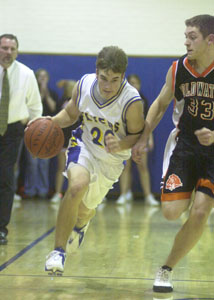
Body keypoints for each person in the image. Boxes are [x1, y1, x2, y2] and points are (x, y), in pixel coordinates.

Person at [33, 46, 145, 275]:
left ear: (123, 76)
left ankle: (82, 224)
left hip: (111, 162)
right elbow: (72, 114)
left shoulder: (132, 101)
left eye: (114, 80)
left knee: (84, 210)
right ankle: (58, 252)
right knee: (76, 186)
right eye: (103, 78)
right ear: (96, 71)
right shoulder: (84, 84)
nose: (107, 85)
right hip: (84, 145)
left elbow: (137, 135)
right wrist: (51, 122)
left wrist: (122, 144)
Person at [132, 14, 214, 293]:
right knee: (170, 213)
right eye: (186, 36)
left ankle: (165, 269)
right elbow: (160, 104)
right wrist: (143, 137)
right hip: (186, 146)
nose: (186, 41)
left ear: (210, 40)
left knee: (201, 213)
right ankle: (195, 195)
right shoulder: (178, 68)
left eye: (192, 37)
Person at [0, 34, 42, 244]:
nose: (8, 52)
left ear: (17, 51)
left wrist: (37, 135)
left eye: (12, 49)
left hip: (12, 130)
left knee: (6, 178)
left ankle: (1, 228)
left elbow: (35, 106)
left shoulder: (26, 74)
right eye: (4, 48)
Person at [116, 74, 159, 206]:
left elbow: (147, 121)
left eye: (136, 83)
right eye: (131, 83)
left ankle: (148, 196)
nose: (134, 85)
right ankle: (123, 194)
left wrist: (149, 137)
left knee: (142, 167)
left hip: (140, 138)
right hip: (126, 137)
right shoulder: (121, 100)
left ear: (139, 85)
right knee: (125, 167)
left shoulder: (143, 100)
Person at [24, 68, 58, 199]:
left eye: (45, 76)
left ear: (48, 78)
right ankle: (30, 190)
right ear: (36, 78)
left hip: (47, 133)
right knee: (31, 163)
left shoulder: (53, 93)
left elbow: (53, 107)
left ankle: (43, 190)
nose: (42, 79)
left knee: (44, 164)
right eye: (40, 76)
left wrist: (46, 92)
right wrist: (41, 93)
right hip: (32, 131)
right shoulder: (31, 93)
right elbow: (35, 108)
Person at [50, 79, 82, 204]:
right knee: (61, 168)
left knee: (77, 170)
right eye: (69, 87)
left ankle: (75, 194)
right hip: (63, 139)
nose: (71, 88)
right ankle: (58, 193)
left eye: (72, 86)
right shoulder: (61, 102)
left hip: (76, 140)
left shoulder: (79, 103)